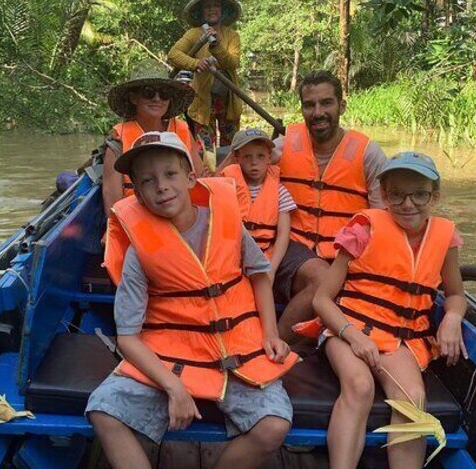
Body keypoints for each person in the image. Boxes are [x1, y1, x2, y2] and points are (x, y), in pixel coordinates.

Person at [90, 131, 300, 468]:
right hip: (171, 356)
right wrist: (173, 387)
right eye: (148, 181)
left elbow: (260, 276)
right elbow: (127, 337)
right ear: (138, 194)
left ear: (190, 179)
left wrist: (270, 333)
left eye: (170, 174)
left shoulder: (226, 223)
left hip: (238, 351)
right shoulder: (139, 250)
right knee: (104, 410)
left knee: (274, 425)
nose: (161, 186)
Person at [296, 151, 468, 468]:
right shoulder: (364, 229)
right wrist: (353, 335)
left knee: (412, 398)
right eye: (397, 194)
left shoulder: (445, 239)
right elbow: (322, 299)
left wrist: (453, 317)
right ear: (384, 195)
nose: (408, 204)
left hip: (400, 341)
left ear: (434, 195)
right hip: (347, 330)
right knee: (359, 386)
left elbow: (455, 294)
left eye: (419, 194)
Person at [272, 70, 388, 341]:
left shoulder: (368, 153)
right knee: (323, 278)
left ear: (341, 106)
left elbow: (384, 218)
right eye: (309, 105)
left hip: (345, 254)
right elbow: (239, 172)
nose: (317, 113)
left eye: (326, 103)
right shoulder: (282, 146)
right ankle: (275, 345)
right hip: (292, 247)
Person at [102, 78, 206, 218]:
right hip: (139, 217)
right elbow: (112, 199)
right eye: (148, 92)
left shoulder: (182, 129)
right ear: (134, 98)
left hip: (182, 212)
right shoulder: (118, 140)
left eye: (164, 93)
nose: (157, 99)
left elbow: (200, 177)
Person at [168, 0, 243, 149]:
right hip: (202, 101)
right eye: (207, 7)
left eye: (216, 6)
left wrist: (216, 46)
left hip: (228, 100)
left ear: (222, 10)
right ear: (201, 12)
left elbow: (233, 62)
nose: (212, 9)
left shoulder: (232, 36)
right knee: (206, 149)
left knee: (231, 148)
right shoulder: (194, 34)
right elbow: (173, 55)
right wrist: (195, 63)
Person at [220, 129, 296, 280]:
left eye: (260, 156)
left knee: (263, 287)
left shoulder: (280, 192)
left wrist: (272, 269)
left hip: (264, 258)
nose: (254, 162)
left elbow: (283, 234)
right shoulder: (227, 188)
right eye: (247, 156)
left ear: (269, 158)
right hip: (232, 258)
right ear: (237, 158)